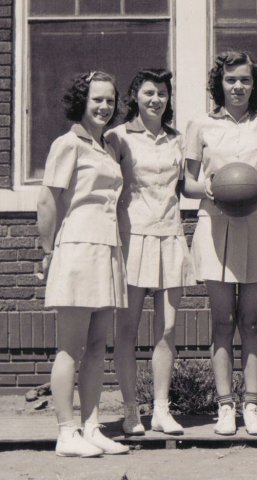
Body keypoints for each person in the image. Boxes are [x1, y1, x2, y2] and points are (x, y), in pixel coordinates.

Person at [183, 51, 257, 436]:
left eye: (244, 79)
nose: (238, 86)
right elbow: (188, 183)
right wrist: (209, 187)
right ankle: (225, 406)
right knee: (223, 320)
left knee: (252, 321)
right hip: (216, 222)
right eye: (230, 80)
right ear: (219, 84)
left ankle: (252, 404)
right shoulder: (200, 125)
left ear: (254, 84)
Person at [37, 71, 130, 457]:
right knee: (70, 347)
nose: (104, 107)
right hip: (76, 247)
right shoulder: (67, 143)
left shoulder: (108, 146)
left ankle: (91, 427)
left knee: (96, 346)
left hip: (107, 250)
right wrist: (47, 252)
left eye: (109, 100)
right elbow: (47, 200)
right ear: (82, 101)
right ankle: (65, 431)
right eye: (97, 100)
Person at [110, 69, 196, 436]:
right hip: (132, 238)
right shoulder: (118, 137)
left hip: (170, 236)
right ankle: (131, 411)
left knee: (168, 329)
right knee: (126, 331)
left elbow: (190, 185)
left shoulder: (177, 140)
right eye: (148, 92)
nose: (155, 99)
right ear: (135, 96)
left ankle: (161, 409)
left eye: (162, 93)